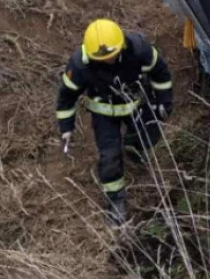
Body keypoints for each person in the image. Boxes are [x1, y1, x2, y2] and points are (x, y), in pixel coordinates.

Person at [55, 19, 173, 225]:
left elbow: (160, 71)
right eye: (104, 58)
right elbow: (66, 97)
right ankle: (116, 200)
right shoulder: (80, 65)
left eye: (112, 55)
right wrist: (66, 128)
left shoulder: (138, 49)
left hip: (135, 104)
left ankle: (133, 148)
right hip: (104, 114)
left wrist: (164, 102)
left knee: (149, 132)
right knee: (109, 157)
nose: (109, 61)